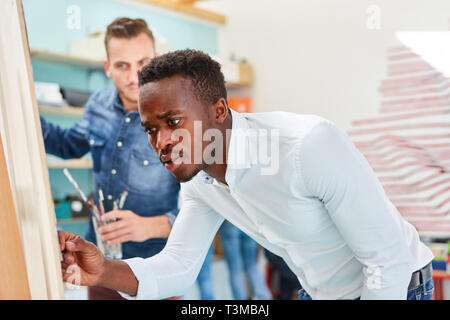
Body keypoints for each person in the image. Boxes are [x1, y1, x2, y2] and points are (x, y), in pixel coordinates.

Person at [58, 49, 435, 300]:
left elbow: (388, 262)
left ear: (218, 111)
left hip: (398, 285)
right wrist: (103, 270)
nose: (162, 142)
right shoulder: (199, 180)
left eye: (174, 122)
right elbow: (178, 266)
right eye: (151, 129)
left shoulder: (306, 147)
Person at [40, 19, 216, 300]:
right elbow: (67, 145)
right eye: (122, 65)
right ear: (108, 67)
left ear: (156, 59)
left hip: (156, 269)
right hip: (99, 263)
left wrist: (153, 225)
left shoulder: (181, 116)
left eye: (143, 62)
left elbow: (212, 201)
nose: (135, 76)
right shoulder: (97, 104)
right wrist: (22, 108)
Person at [219, 221, 272, 300]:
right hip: (248, 223)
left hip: (230, 222)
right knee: (251, 265)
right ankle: (264, 297)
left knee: (235, 269)